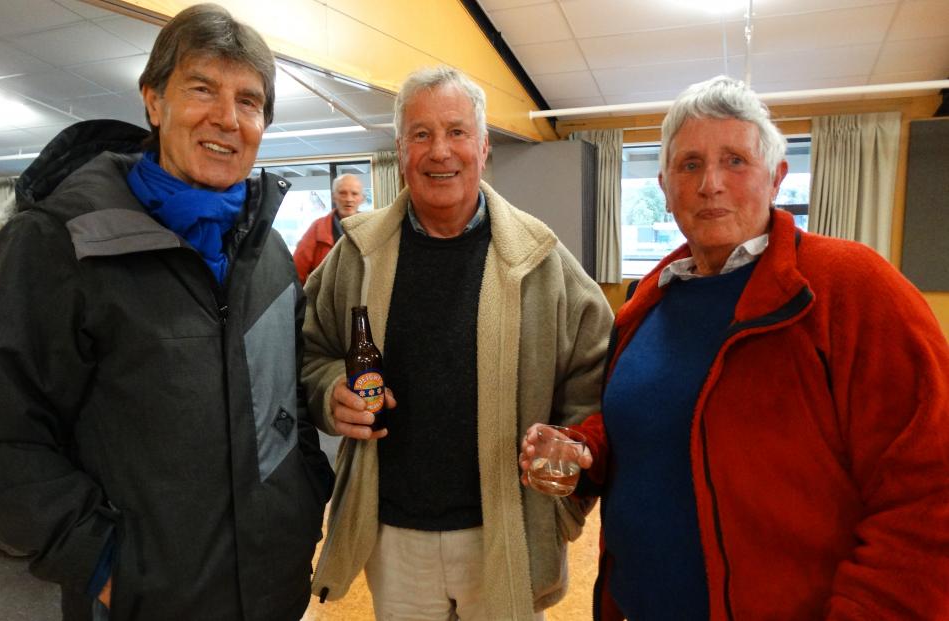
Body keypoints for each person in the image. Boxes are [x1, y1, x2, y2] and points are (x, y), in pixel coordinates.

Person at [520, 75, 949, 620]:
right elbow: (647, 427)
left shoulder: (853, 288)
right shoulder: (648, 300)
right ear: (665, 184)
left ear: (777, 177)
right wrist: (586, 449)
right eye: (690, 164)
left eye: (736, 161)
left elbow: (930, 496)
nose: (711, 184)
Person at [0, 4, 335, 620]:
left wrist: (304, 500)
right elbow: (10, 434)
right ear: (154, 102)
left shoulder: (269, 254)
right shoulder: (60, 244)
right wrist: (101, 566)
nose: (226, 118)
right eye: (201, 88)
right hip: (141, 601)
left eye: (249, 100)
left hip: (271, 589)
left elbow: (286, 403)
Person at [300, 65, 613, 619]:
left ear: (484, 146)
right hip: (393, 536)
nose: (439, 150)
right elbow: (310, 352)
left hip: (507, 531)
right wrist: (331, 393)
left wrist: (568, 480)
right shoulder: (354, 255)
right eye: (421, 134)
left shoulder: (543, 261)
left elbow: (595, 378)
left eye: (456, 132)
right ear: (400, 151)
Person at [293, 173, 365, 283]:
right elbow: (297, 273)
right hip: (325, 297)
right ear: (334, 197)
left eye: (354, 194)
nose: (349, 199)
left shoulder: (371, 227)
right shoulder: (317, 228)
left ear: (361, 198)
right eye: (342, 193)